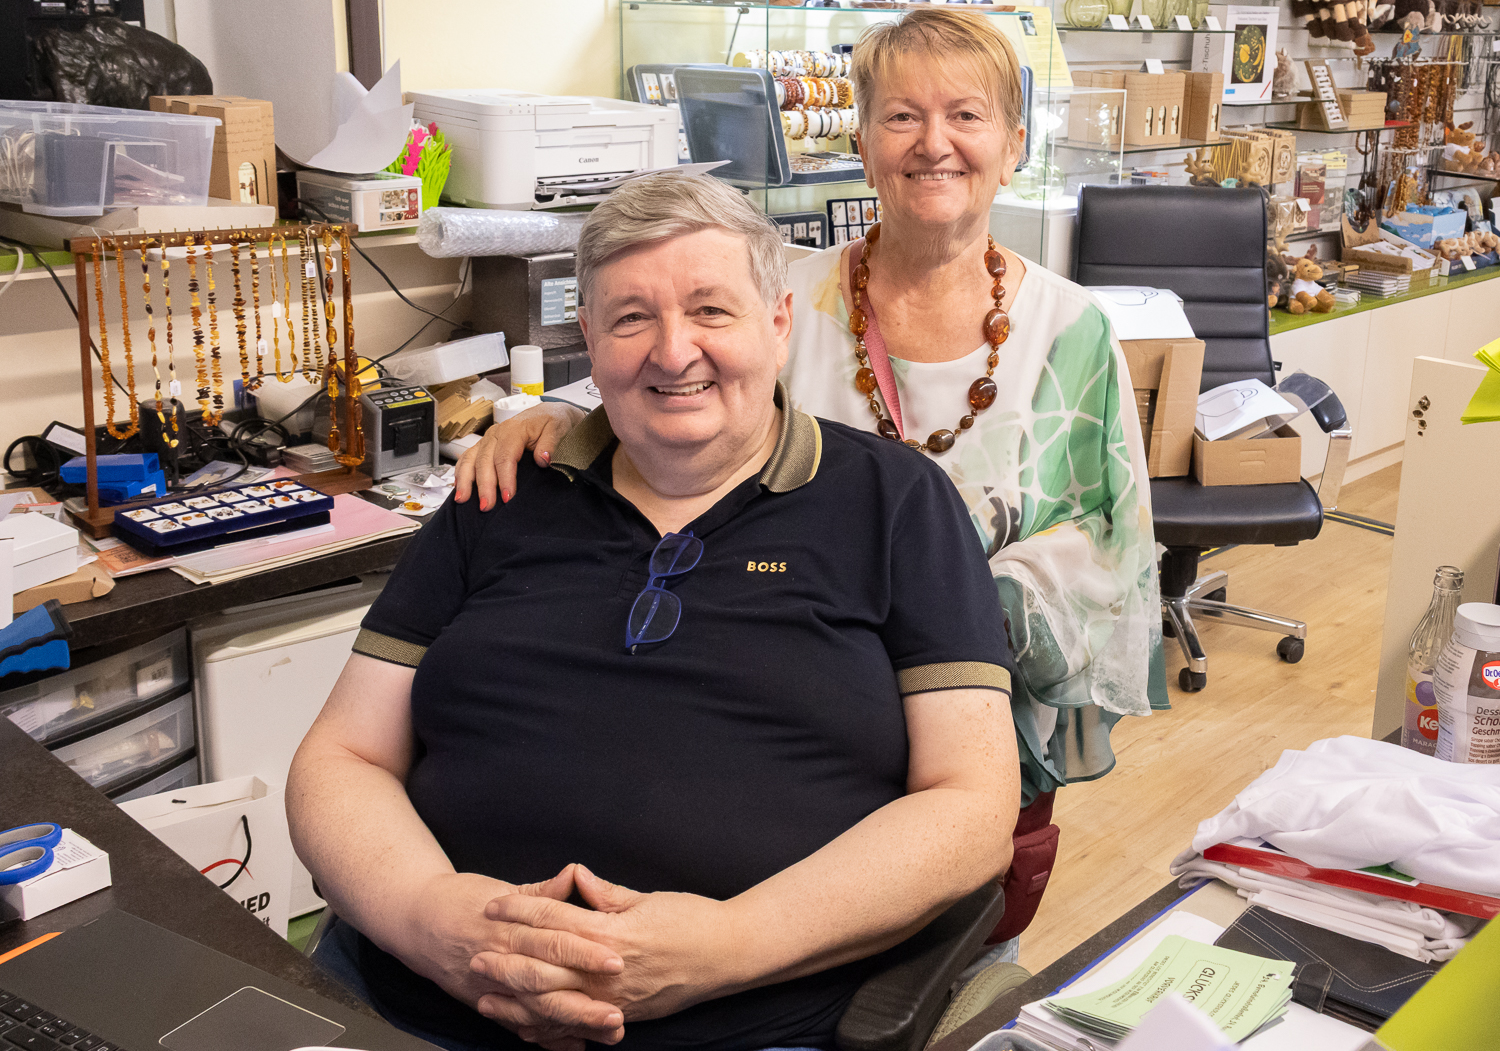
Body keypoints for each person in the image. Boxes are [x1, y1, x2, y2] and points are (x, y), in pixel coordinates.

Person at [287, 172, 1021, 1051]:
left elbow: (973, 806)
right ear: (589, 339)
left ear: (778, 324)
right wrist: (432, 921)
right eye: (631, 318)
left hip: (747, 1027)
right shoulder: (503, 493)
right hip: (410, 1005)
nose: (673, 353)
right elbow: (341, 755)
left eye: (712, 310)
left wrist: (729, 944)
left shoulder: (893, 503)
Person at [456, 8, 1168, 814]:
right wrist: (551, 420)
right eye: (901, 116)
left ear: (1013, 147)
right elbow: (663, 384)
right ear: (861, 147)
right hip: (774, 718)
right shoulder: (787, 297)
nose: (933, 143)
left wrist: (950, 614)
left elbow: (1113, 553)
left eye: (965, 115)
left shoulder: (1073, 333)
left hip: (980, 733)